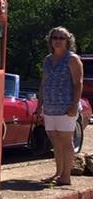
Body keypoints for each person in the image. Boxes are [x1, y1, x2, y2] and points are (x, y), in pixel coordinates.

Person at [35, 27, 84, 186]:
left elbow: (78, 84)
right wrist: (39, 105)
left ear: (68, 40)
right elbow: (44, 83)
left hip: (66, 106)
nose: (57, 40)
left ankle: (66, 176)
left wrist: (74, 105)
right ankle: (58, 172)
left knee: (66, 140)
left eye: (61, 38)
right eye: (55, 37)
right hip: (50, 107)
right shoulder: (48, 59)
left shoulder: (72, 59)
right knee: (55, 141)